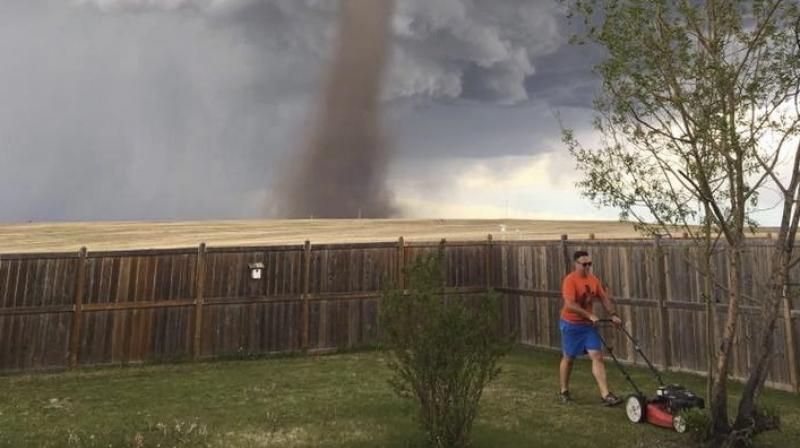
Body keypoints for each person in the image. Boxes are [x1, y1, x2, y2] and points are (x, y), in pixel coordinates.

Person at [558, 250, 623, 406]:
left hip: (588, 327)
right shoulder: (570, 280)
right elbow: (570, 305)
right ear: (576, 264)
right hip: (571, 324)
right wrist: (588, 315)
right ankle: (564, 390)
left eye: (589, 264)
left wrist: (613, 314)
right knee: (569, 358)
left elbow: (604, 297)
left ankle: (605, 394)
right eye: (584, 264)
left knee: (597, 356)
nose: (587, 267)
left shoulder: (593, 280)